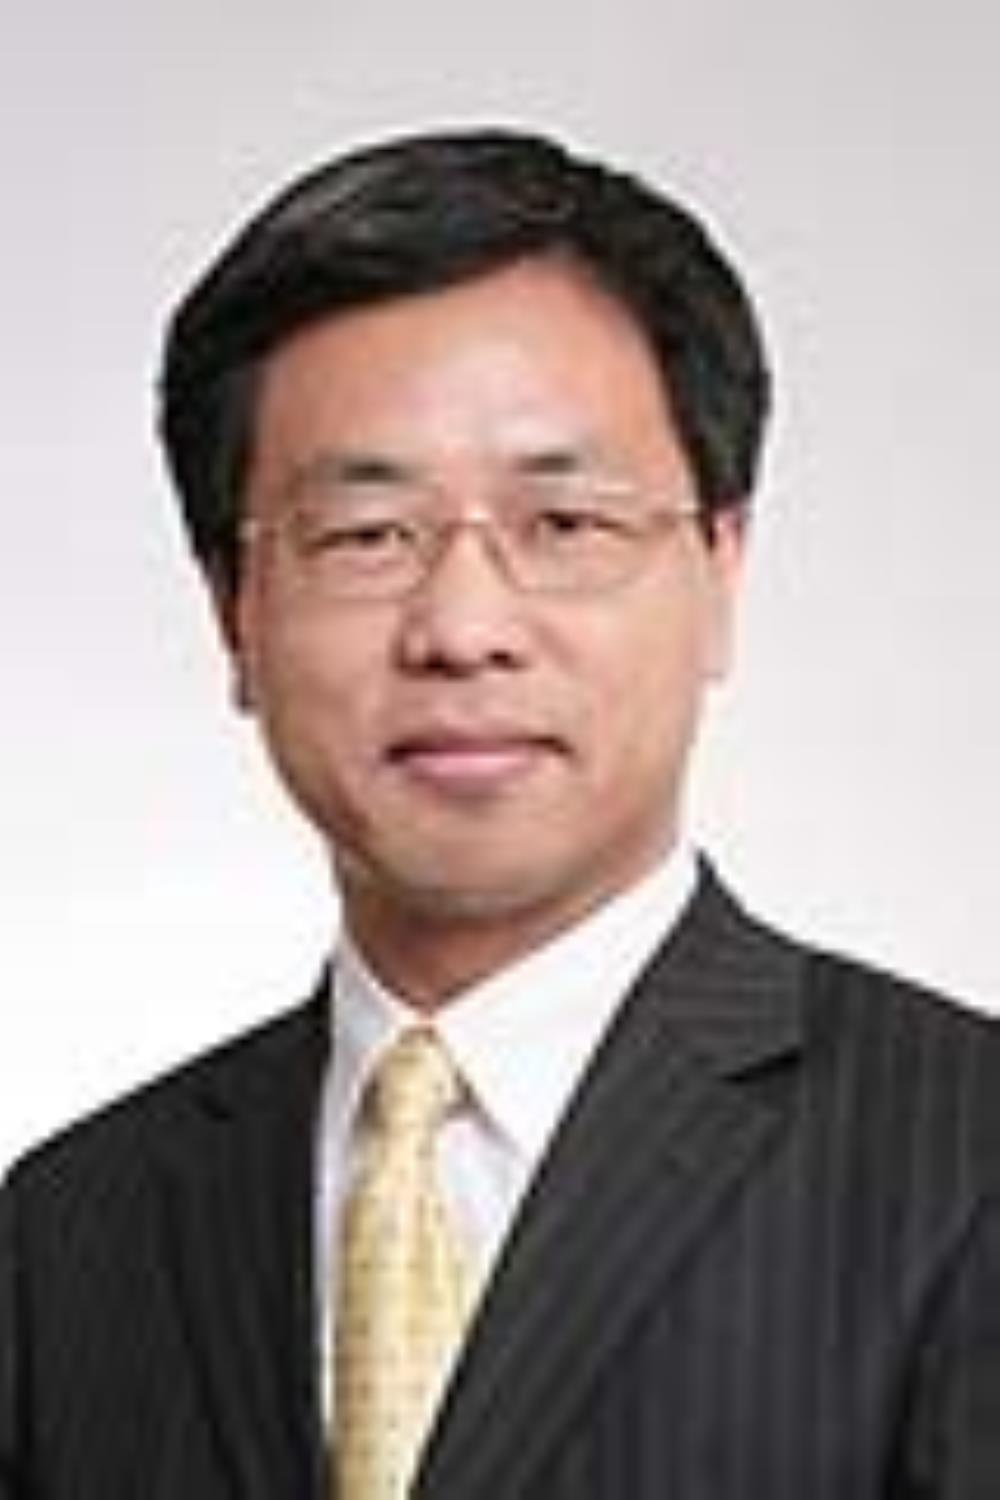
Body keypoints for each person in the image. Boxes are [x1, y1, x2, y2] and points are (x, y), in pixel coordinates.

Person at [1, 127, 998, 1500]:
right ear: (233, 612)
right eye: (367, 536)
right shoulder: (68, 1233)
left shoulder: (965, 1159)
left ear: (721, 572)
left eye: (565, 524)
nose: (464, 628)